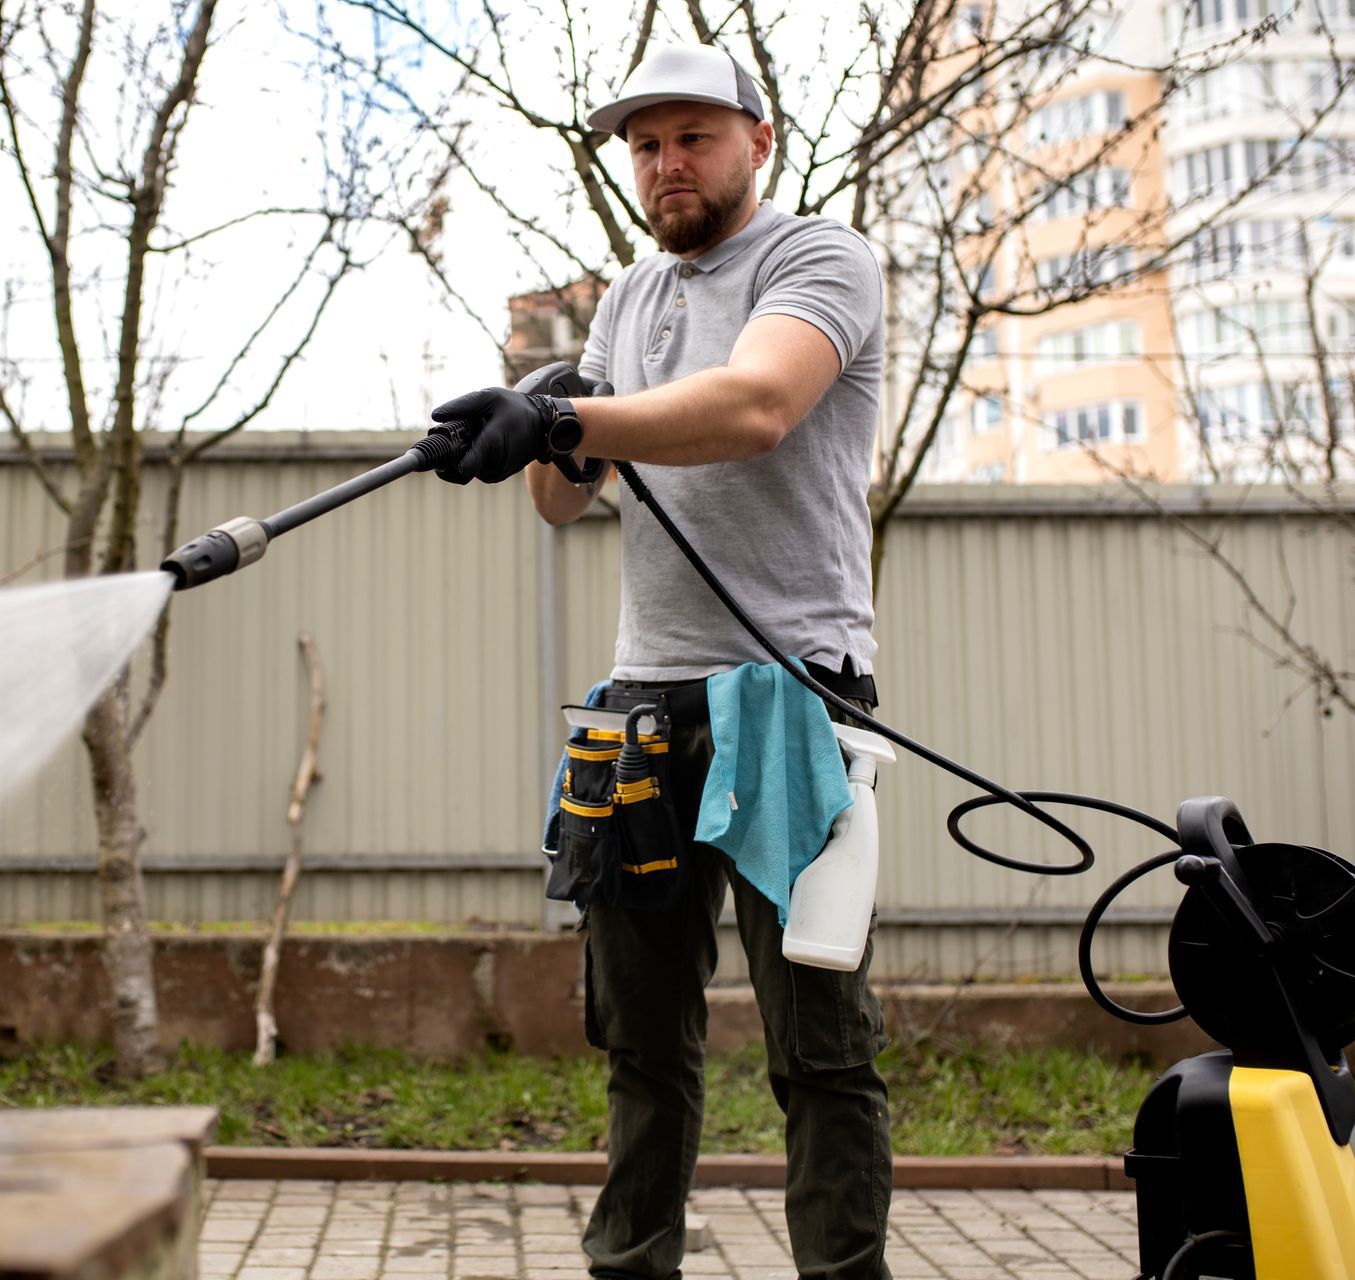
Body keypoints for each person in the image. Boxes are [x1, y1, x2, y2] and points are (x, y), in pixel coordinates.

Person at [429, 43, 892, 1280]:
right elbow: (559, 507)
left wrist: (574, 414)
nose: (664, 163)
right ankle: (631, 1265)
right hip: (644, 699)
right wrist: (536, 420)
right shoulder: (630, 300)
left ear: (761, 136)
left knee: (821, 1042)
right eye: (643, 145)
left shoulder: (817, 260)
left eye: (692, 136)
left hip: (794, 692)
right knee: (639, 1035)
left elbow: (754, 409)